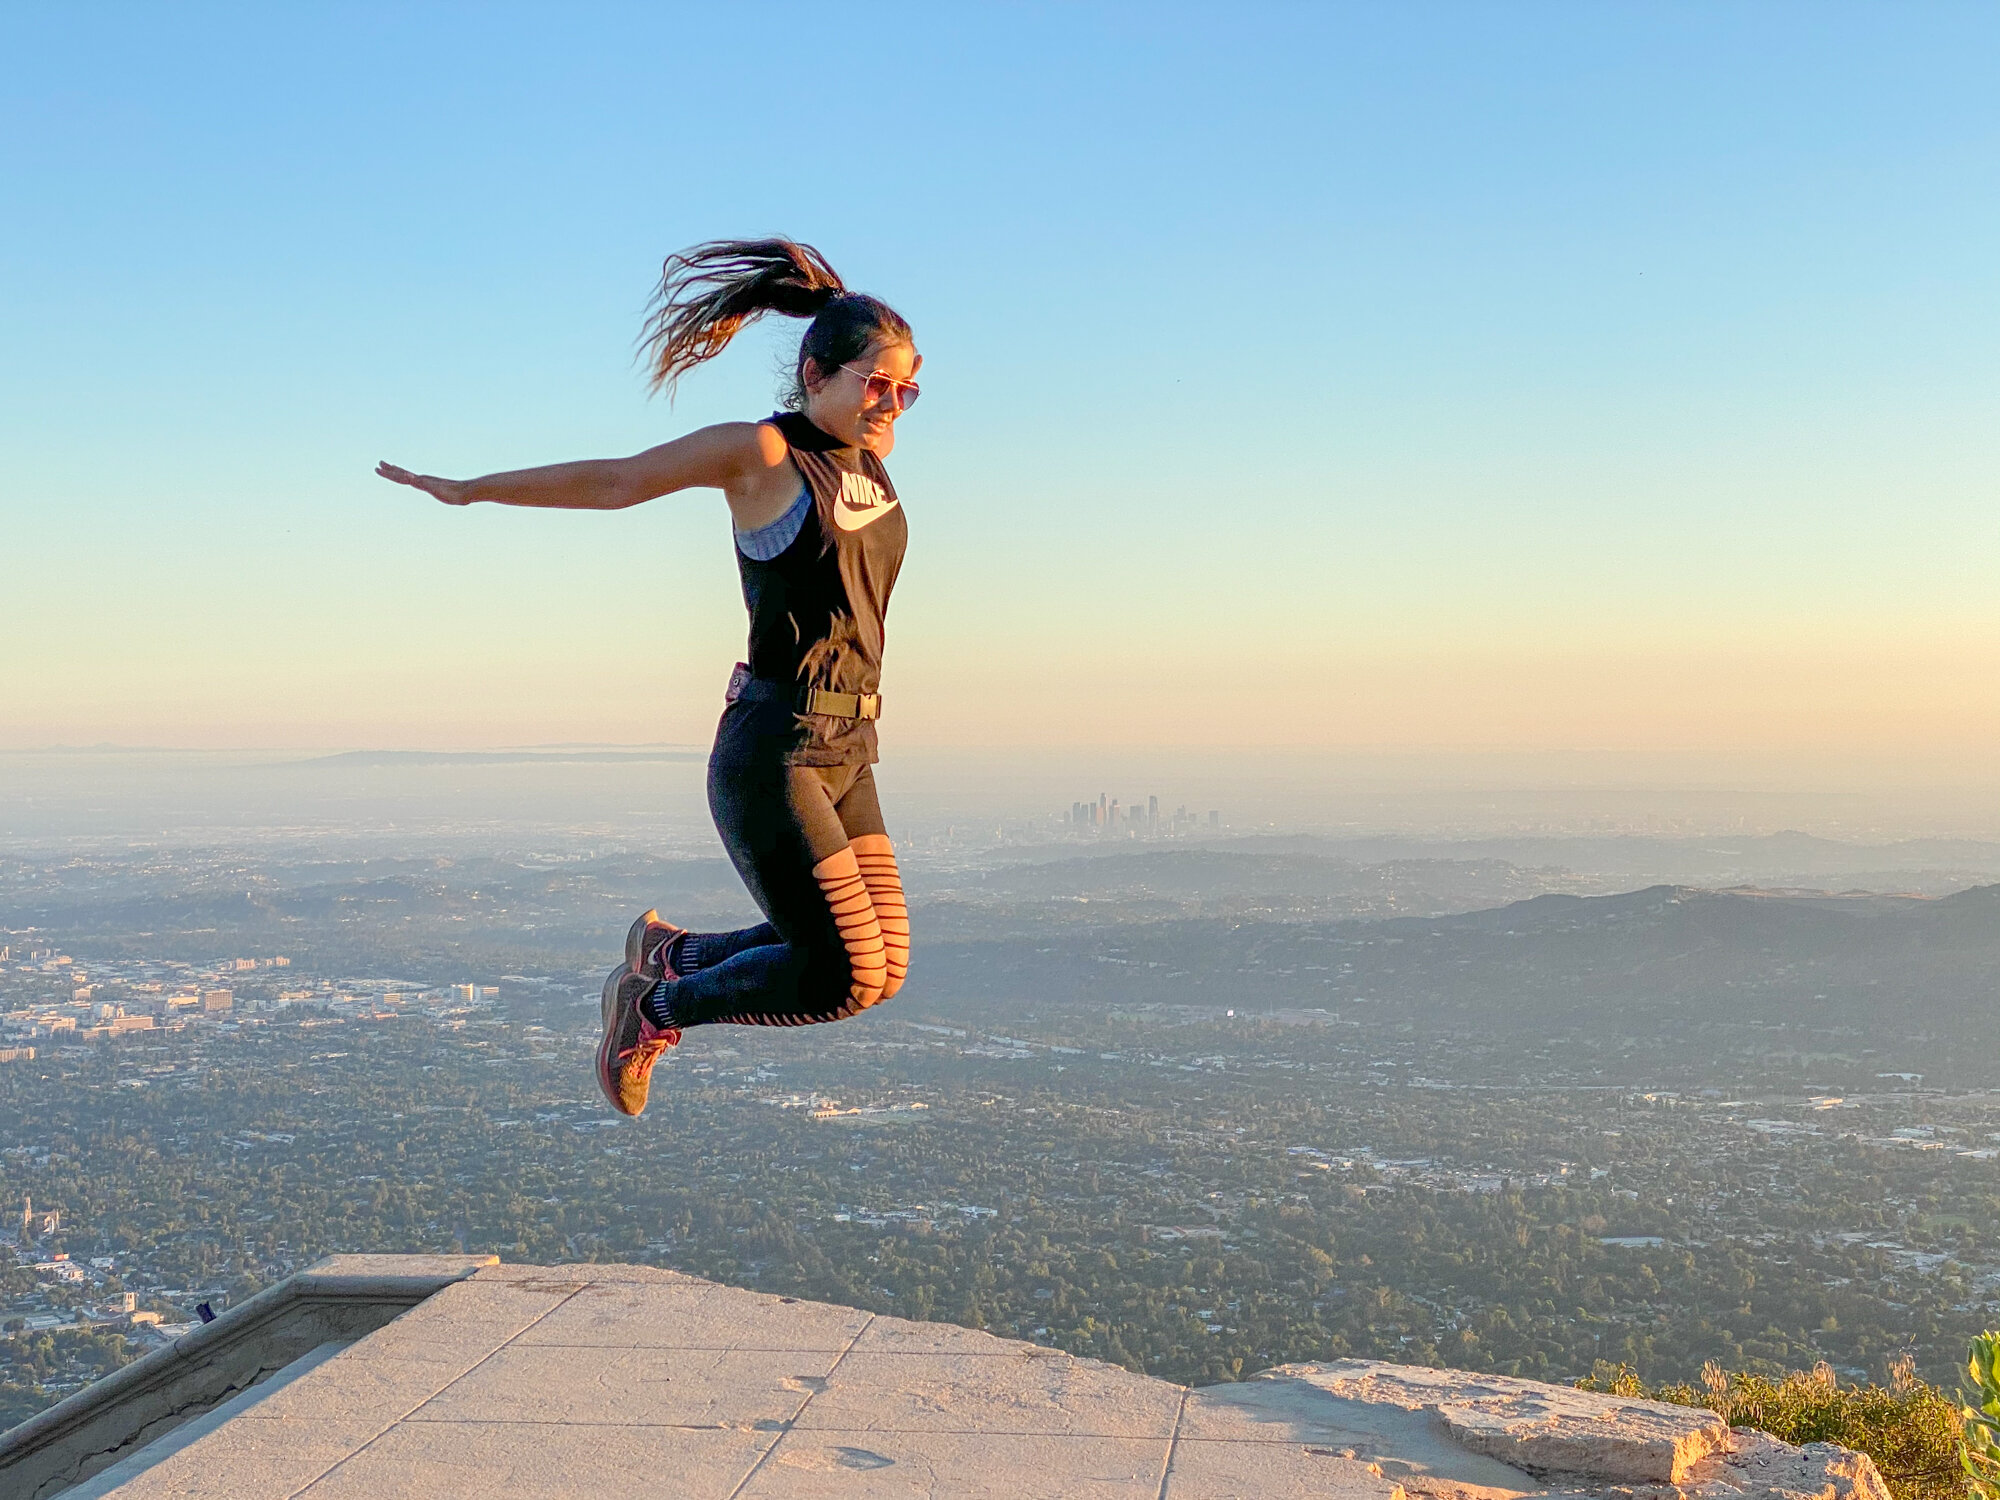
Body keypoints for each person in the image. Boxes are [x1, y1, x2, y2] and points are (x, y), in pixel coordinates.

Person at [377, 237, 919, 1117]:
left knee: (884, 964)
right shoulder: (764, 454)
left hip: (849, 744)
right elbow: (619, 481)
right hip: (775, 746)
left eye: (907, 387)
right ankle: (655, 1005)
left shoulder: (873, 468)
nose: (893, 401)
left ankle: (672, 954)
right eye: (876, 381)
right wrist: (471, 490)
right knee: (844, 974)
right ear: (816, 374)